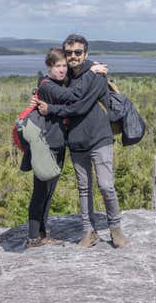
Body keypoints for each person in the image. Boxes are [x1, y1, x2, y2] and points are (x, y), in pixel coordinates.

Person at [36, 34, 130, 248]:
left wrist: (52, 109)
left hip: (100, 137)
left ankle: (115, 229)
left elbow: (79, 106)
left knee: (106, 186)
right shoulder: (65, 76)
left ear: (86, 54)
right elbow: (53, 88)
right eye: (69, 53)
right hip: (76, 141)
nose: (73, 56)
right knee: (84, 188)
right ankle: (89, 232)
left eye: (78, 52)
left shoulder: (96, 75)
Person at [24, 48, 106, 248]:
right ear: (48, 67)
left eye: (63, 66)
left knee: (49, 191)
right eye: (57, 66)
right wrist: (92, 72)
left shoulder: (55, 82)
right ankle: (34, 236)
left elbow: (77, 71)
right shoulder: (48, 86)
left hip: (58, 145)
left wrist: (91, 65)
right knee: (41, 191)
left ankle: (42, 233)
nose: (62, 70)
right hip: (46, 146)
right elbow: (73, 95)